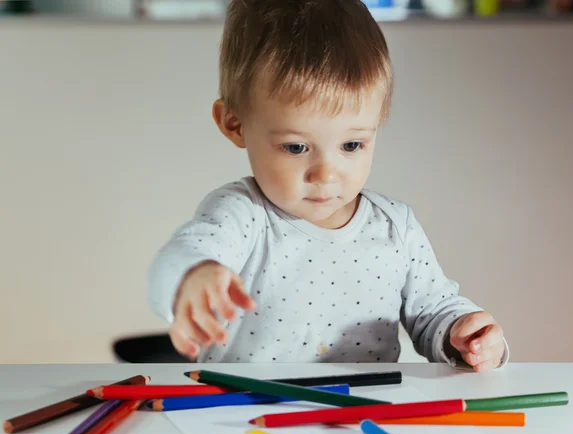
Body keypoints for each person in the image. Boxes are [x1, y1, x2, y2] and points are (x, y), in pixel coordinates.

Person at [147, 0, 508, 371]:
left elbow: (433, 310)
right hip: (244, 412)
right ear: (234, 124)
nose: (326, 174)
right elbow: (180, 257)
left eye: (352, 145)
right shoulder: (242, 215)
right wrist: (191, 278)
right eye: (296, 147)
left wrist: (463, 332)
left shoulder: (394, 227)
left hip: (359, 415)